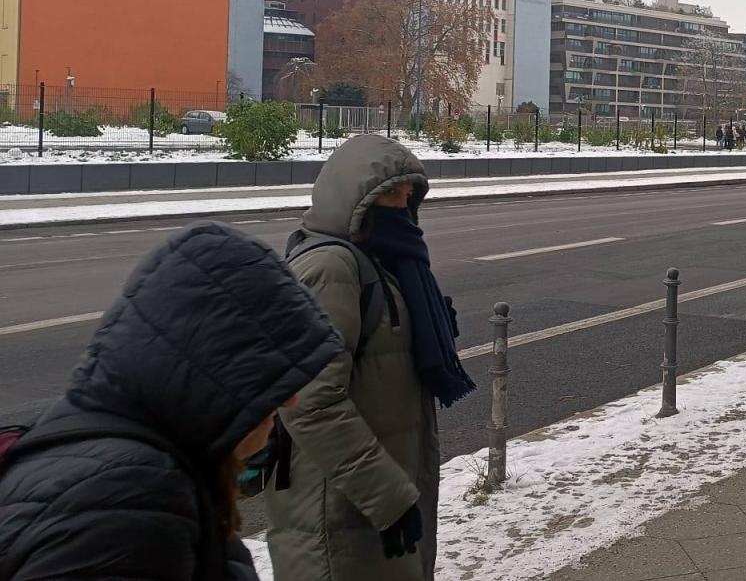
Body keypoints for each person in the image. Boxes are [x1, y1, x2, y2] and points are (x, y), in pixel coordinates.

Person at [0, 223, 344, 580]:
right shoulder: (129, 504)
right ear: (218, 370)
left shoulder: (122, 462)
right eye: (271, 377)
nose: (289, 400)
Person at [266, 135, 474, 580]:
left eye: (408, 196)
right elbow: (310, 402)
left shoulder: (389, 267)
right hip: (338, 510)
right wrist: (388, 497)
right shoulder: (330, 269)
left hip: (374, 502)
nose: (402, 207)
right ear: (353, 201)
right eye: (390, 196)